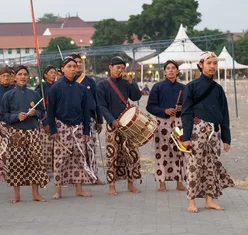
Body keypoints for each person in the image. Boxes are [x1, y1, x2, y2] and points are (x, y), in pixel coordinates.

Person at [181, 52, 234, 213]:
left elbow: (224, 114)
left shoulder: (218, 89)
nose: (213, 66)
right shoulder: (191, 86)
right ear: (201, 65)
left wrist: (226, 139)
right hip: (198, 130)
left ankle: (209, 200)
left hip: (214, 132)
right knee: (194, 165)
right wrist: (186, 137)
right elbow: (186, 112)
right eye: (209, 63)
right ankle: (191, 201)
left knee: (211, 166)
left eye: (215, 63)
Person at [96, 56, 142, 196]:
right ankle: (111, 185)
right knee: (112, 155)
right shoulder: (102, 85)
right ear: (110, 67)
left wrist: (131, 81)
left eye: (122, 68)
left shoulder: (126, 82)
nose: (120, 71)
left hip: (127, 124)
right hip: (112, 125)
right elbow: (101, 105)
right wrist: (111, 120)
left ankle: (131, 183)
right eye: (118, 68)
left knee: (132, 153)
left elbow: (136, 97)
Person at [47, 57, 92, 199]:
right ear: (62, 68)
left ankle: (79, 188)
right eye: (69, 66)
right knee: (60, 159)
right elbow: (50, 111)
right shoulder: (55, 87)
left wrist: (86, 131)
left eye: (74, 66)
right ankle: (58, 190)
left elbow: (86, 110)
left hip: (78, 126)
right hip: (61, 126)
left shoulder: (81, 88)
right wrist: (53, 130)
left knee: (79, 157)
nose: (73, 69)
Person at [1, 65, 47, 203]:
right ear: (14, 77)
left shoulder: (34, 94)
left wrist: (35, 113)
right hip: (16, 133)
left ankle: (36, 193)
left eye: (25, 74)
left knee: (35, 162)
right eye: (20, 74)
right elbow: (3, 115)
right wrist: (16, 116)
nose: (23, 77)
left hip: (33, 131)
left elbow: (42, 112)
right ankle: (17, 195)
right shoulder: (8, 95)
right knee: (16, 163)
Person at [146, 60, 186, 192]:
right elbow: (150, 106)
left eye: (173, 68)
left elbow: (189, 107)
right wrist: (164, 111)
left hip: (178, 122)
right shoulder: (157, 87)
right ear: (164, 72)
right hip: (162, 123)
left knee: (180, 152)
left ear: (177, 71)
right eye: (168, 68)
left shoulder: (183, 88)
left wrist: (180, 109)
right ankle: (161, 182)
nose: (171, 70)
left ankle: (179, 182)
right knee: (161, 152)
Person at [71, 53, 104, 184]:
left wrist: (99, 119)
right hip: (72, 121)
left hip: (89, 119)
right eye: (75, 62)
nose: (78, 65)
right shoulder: (64, 82)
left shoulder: (89, 81)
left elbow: (97, 101)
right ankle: (77, 178)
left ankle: (93, 176)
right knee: (75, 150)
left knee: (90, 148)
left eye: (80, 62)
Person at [35, 65, 57, 177]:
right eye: (51, 72)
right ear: (45, 75)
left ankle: (56, 168)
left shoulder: (58, 86)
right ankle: (46, 169)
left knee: (56, 145)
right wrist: (45, 122)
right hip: (45, 119)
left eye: (55, 72)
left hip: (57, 119)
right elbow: (39, 107)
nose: (54, 74)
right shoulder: (41, 88)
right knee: (46, 146)